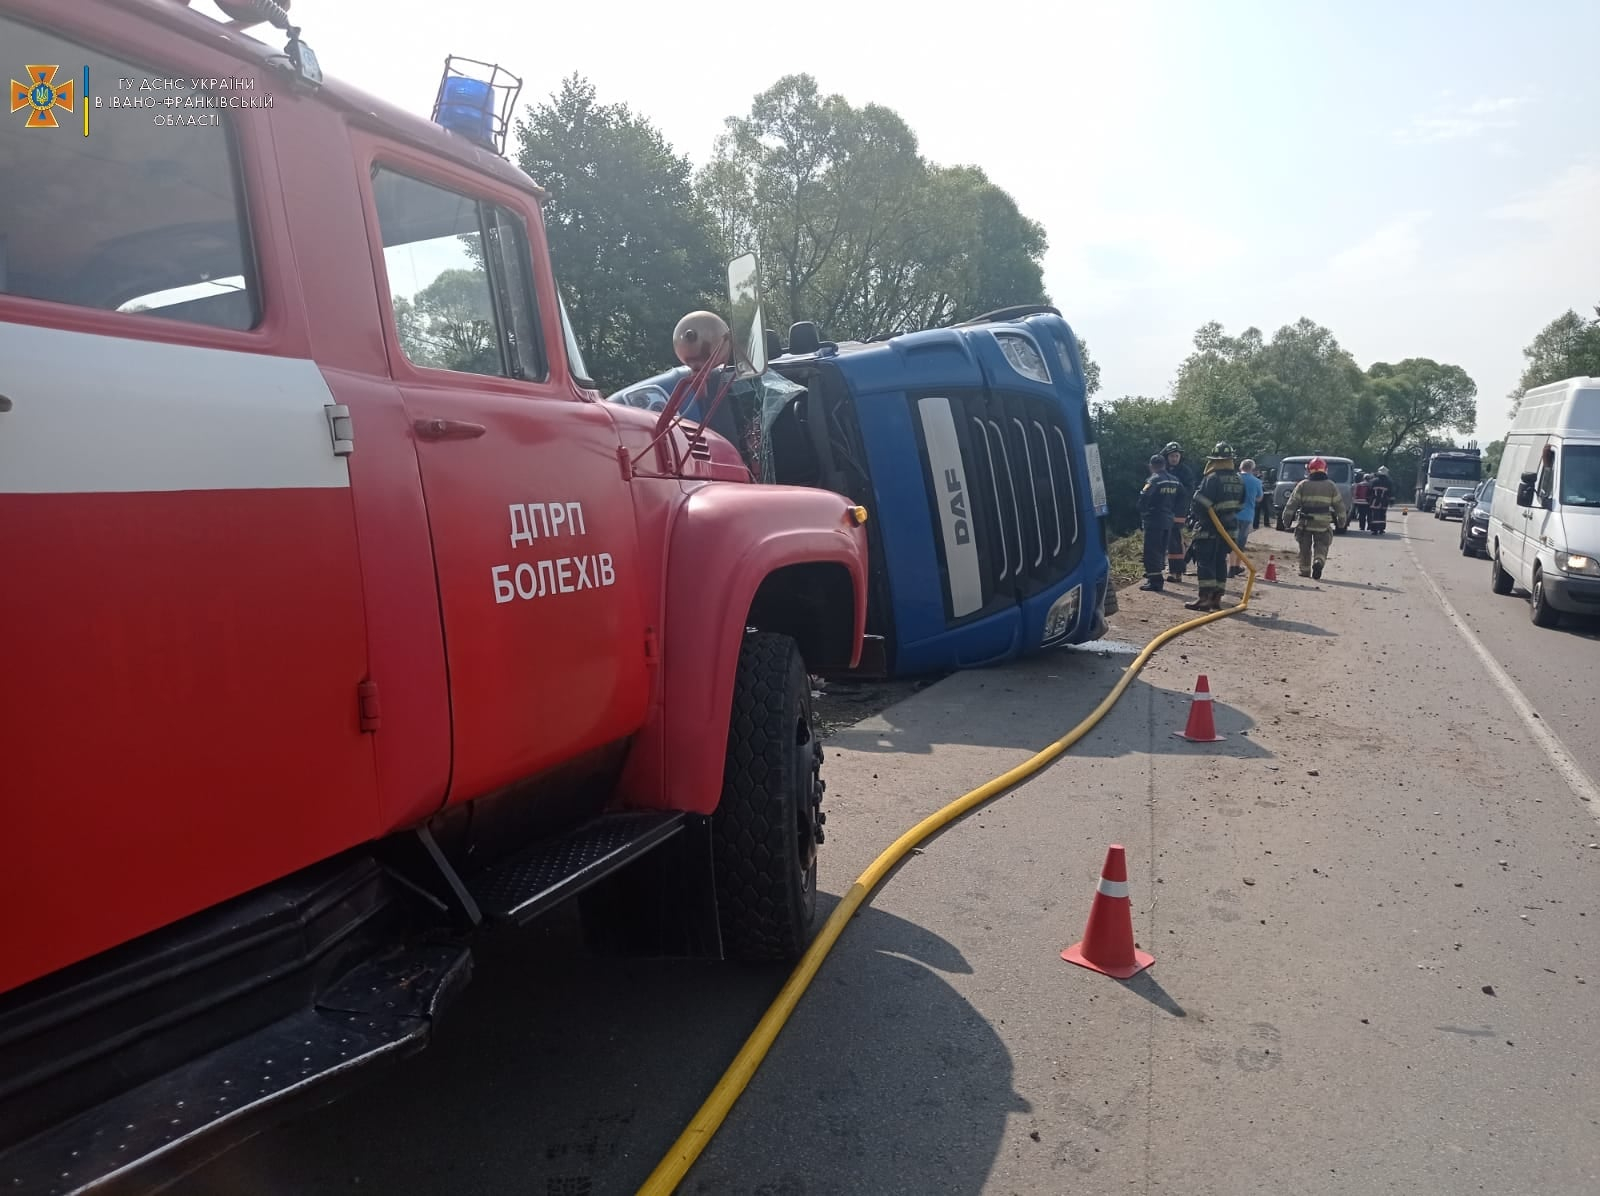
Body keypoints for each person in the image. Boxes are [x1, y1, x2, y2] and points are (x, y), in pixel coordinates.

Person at [1184, 442, 1246, 612]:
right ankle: (1216, 599)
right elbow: (1241, 505)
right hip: (1229, 529)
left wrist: (1198, 518)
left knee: (1205, 563)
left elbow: (1199, 503)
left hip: (1209, 529)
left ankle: (1205, 599)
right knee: (1220, 562)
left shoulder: (1212, 478)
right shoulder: (1239, 479)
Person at [1280, 456, 1348, 578]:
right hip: (1323, 523)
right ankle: (1318, 561)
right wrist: (1342, 521)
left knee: (1304, 547)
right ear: (1325, 470)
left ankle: (1305, 571)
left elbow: (1291, 504)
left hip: (1305, 523)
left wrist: (1286, 521)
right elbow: (1339, 505)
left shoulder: (1303, 485)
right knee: (1322, 544)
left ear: (1309, 470)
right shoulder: (1331, 485)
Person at [1136, 454, 1183, 591]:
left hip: (1154, 520)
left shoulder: (1154, 480)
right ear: (1164, 465)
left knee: (1151, 551)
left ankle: (1155, 582)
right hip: (1168, 520)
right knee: (1161, 550)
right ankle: (1156, 577)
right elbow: (1183, 496)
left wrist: (1144, 512)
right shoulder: (1175, 480)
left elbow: (1144, 497)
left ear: (1151, 466)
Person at [1162, 441, 1196, 581]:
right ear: (1167, 456)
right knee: (1168, 541)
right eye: (1172, 456)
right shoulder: (1164, 469)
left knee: (1174, 540)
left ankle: (1177, 572)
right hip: (1164, 510)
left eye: (1176, 456)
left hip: (1178, 511)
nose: (1174, 458)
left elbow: (1189, 491)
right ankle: (1169, 569)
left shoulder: (1185, 471)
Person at [1230, 458, 1263, 577]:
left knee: (1231, 541)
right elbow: (1259, 498)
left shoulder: (1233, 479)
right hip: (1247, 515)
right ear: (1252, 469)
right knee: (1241, 542)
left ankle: (1230, 566)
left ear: (1240, 467)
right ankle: (1236, 567)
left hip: (1231, 514)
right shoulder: (1257, 482)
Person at [1367, 466, 1393, 534]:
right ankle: (1381, 529)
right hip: (1384, 501)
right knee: (1382, 515)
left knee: (1375, 515)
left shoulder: (1373, 481)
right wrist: (1391, 501)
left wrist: (1368, 500)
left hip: (1374, 501)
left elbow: (1369, 491)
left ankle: (1374, 530)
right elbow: (1391, 493)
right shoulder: (1389, 482)